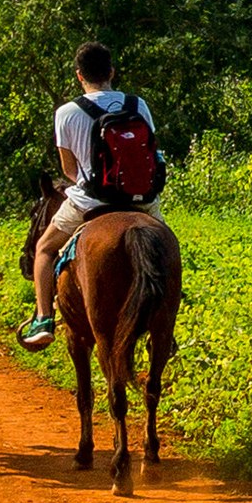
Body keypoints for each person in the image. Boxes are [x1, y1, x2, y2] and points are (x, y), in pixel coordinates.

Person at [15, 39, 167, 352]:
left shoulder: (67, 112)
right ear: (111, 71)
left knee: (44, 248)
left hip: (91, 202)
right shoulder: (138, 105)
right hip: (141, 199)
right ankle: (163, 324)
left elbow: (70, 170)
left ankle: (43, 319)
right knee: (164, 250)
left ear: (79, 75)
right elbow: (152, 153)